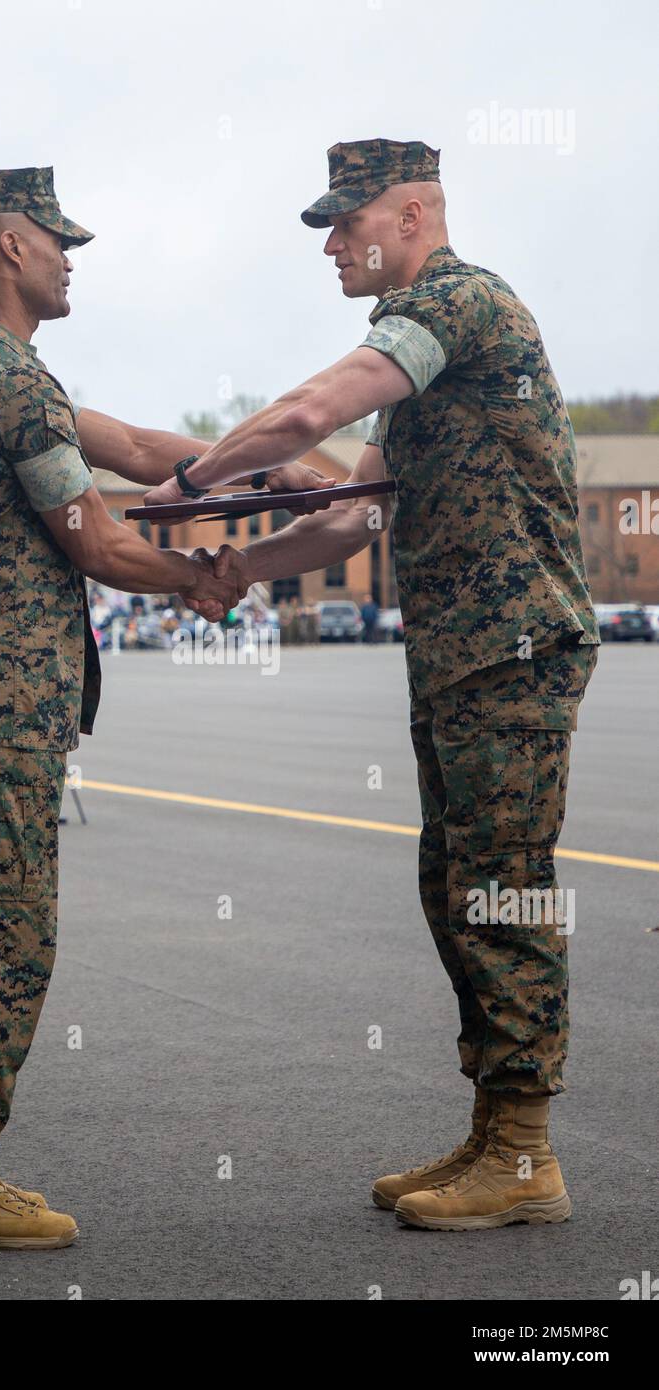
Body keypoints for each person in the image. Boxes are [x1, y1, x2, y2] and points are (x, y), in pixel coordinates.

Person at [148, 139, 600, 1231]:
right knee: (455, 888)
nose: (332, 244)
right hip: (459, 657)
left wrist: (188, 485)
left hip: (509, 649)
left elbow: (306, 416)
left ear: (410, 212)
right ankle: (496, 1131)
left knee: (501, 890)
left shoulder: (456, 304)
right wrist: (240, 573)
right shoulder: (419, 368)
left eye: (345, 224)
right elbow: (354, 512)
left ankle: (528, 1154)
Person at [0, 167, 244, 1250]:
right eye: (56, 239)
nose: (70, 256)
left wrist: (279, 464)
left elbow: (132, 450)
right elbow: (96, 536)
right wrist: (198, 578)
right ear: (7, 250)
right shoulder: (6, 383)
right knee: (0, 932)